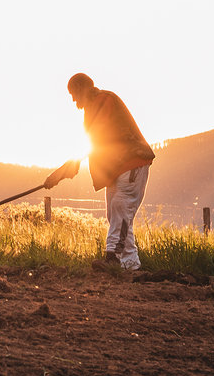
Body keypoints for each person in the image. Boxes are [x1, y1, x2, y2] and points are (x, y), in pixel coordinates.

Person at [44, 73, 154, 270]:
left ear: (80, 88)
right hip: (116, 169)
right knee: (116, 215)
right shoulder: (94, 108)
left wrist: (64, 170)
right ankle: (130, 264)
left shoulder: (104, 100)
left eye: (73, 95)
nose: (73, 100)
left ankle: (112, 257)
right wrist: (66, 169)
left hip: (132, 163)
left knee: (121, 208)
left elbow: (97, 138)